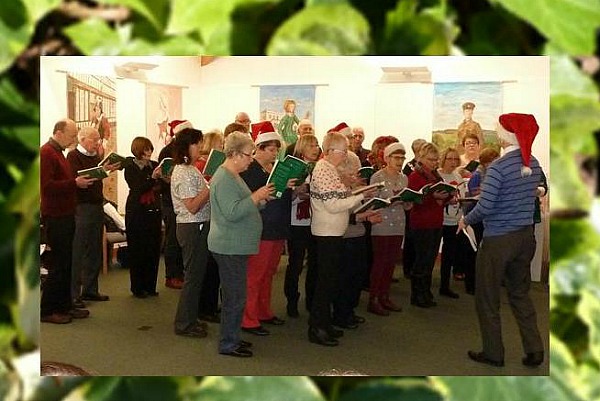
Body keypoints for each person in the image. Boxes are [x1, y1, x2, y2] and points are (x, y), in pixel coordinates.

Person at [458, 113, 545, 368]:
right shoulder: (534, 163)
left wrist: (467, 219)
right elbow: (533, 193)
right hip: (525, 237)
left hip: (499, 240)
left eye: (498, 129)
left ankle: (494, 353)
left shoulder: (498, 167)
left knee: (487, 297)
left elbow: (485, 206)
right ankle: (535, 349)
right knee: (520, 294)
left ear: (506, 135)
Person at [207, 131, 273, 358]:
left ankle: (232, 337)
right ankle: (228, 343)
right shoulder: (224, 177)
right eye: (247, 155)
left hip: (235, 244)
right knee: (234, 298)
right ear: (234, 154)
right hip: (228, 245)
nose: (250, 159)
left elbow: (243, 205)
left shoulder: (234, 175)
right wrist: (256, 197)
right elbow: (232, 212)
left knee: (237, 296)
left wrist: (260, 199)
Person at [308, 131, 375, 347]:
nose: (345, 156)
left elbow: (338, 197)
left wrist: (355, 191)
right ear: (329, 151)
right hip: (326, 232)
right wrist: (361, 194)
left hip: (334, 231)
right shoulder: (323, 169)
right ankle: (316, 328)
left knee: (330, 281)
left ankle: (324, 323)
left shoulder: (330, 169)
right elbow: (332, 205)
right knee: (324, 283)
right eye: (343, 151)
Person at [240, 122, 292, 336]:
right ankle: (248, 318)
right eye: (271, 150)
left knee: (269, 273)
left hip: (277, 226)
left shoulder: (274, 169)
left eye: (276, 150)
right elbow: (253, 197)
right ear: (258, 149)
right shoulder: (250, 171)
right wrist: (279, 186)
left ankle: (263, 311)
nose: (274, 154)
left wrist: (289, 187)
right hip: (261, 227)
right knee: (255, 275)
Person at [41, 118, 93, 324]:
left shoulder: (57, 153)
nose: (73, 141)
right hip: (55, 215)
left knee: (67, 263)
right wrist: (74, 183)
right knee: (58, 265)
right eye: (72, 136)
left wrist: (75, 182)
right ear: (59, 132)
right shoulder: (46, 153)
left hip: (65, 213)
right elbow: (46, 186)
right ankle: (47, 310)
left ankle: (64, 306)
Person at [67, 126, 118, 306]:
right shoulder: (73, 156)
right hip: (81, 207)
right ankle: (73, 294)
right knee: (78, 251)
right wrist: (96, 173)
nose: (98, 143)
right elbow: (75, 179)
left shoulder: (95, 157)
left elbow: (94, 178)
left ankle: (90, 289)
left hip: (96, 206)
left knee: (95, 249)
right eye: (94, 140)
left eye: (98, 140)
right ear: (82, 139)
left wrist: (105, 169)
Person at [170, 127, 211, 338]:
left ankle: (191, 319)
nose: (200, 148)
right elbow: (192, 206)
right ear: (186, 146)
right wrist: (209, 187)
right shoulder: (184, 172)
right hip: (192, 226)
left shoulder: (191, 169)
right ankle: (184, 323)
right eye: (196, 143)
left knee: (196, 277)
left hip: (198, 226)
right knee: (192, 278)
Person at [334, 151, 382, 327]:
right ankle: (341, 314)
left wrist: (367, 207)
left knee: (357, 275)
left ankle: (349, 311)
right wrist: (363, 216)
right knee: (345, 278)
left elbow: (357, 211)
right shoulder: (337, 189)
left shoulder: (351, 188)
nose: (356, 177)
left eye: (357, 173)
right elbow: (340, 215)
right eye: (353, 173)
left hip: (358, 234)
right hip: (345, 237)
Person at [368, 143, 412, 315]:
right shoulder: (377, 177)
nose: (400, 161)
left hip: (398, 223)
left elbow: (407, 206)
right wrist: (389, 200)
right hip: (382, 223)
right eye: (396, 157)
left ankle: (385, 296)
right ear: (386, 158)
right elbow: (371, 202)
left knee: (391, 263)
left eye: (402, 158)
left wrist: (409, 200)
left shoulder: (404, 178)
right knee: (380, 262)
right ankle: (374, 299)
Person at [407, 142, 451, 308]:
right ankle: (417, 295)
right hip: (421, 223)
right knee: (421, 260)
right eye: (431, 160)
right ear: (422, 158)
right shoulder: (415, 176)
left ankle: (425, 292)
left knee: (430, 260)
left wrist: (447, 196)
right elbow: (414, 200)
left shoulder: (436, 176)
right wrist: (434, 197)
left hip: (435, 221)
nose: (434, 163)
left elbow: (441, 195)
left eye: (436, 160)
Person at [285, 134, 320, 318]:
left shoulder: (319, 168)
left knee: (314, 263)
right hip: (296, 221)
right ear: (302, 148)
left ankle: (312, 300)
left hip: (315, 220)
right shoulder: (293, 167)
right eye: (311, 145)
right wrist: (297, 194)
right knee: (295, 263)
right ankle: (292, 300)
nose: (315, 149)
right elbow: (282, 197)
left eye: (317, 145)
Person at [124, 137, 162, 298]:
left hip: (153, 211)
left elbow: (159, 187)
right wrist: (152, 178)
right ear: (138, 150)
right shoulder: (130, 167)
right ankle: (138, 287)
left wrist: (163, 178)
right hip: (137, 212)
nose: (149, 153)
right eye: (146, 150)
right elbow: (137, 187)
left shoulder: (154, 165)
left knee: (153, 249)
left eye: (150, 149)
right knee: (137, 250)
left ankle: (150, 285)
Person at [460, 147, 500, 295]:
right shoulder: (478, 174)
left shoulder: (492, 173)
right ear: (485, 163)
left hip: (486, 216)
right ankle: (471, 284)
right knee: (474, 252)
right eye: (492, 161)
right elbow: (473, 191)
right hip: (475, 214)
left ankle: (482, 283)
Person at [159, 120, 192, 290]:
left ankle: (181, 273)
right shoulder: (167, 152)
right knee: (173, 239)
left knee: (180, 240)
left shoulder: (184, 151)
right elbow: (164, 178)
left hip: (183, 201)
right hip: (170, 201)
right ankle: (172, 275)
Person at [436, 147, 463, 298]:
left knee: (449, 254)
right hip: (439, 219)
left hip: (453, 220)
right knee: (431, 252)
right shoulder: (437, 176)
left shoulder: (457, 177)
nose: (453, 162)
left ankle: (445, 286)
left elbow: (461, 194)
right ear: (443, 159)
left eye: (455, 159)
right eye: (450, 159)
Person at [401, 138, 427, 280]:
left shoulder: (426, 167)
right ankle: (407, 267)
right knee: (410, 238)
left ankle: (416, 266)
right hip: (410, 206)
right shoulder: (409, 166)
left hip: (421, 205)